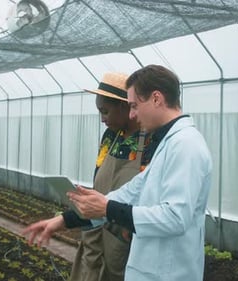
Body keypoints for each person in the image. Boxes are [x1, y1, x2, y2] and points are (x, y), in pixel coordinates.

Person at [24, 65, 212, 281]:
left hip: (168, 273)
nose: (132, 114)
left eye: (134, 106)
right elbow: (128, 194)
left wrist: (108, 208)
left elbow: (175, 218)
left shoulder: (185, 145)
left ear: (156, 99)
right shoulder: (167, 144)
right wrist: (64, 220)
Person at [22, 72, 158, 281]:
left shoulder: (149, 141)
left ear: (125, 106)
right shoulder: (111, 137)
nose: (102, 118)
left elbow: (145, 197)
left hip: (126, 238)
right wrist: (72, 213)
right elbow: (100, 182)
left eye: (105, 111)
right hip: (96, 229)